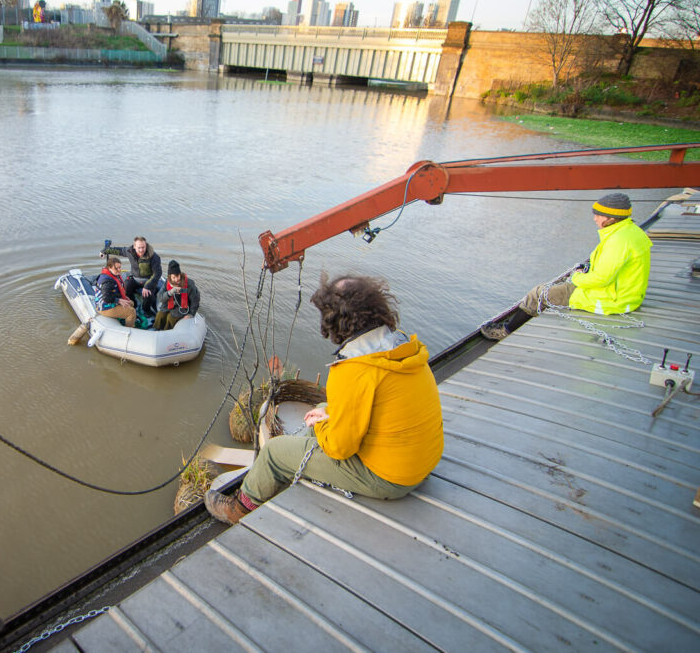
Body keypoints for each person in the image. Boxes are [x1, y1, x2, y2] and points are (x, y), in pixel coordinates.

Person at [205, 274, 443, 525]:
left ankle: (242, 507)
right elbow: (377, 404)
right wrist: (328, 414)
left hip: (391, 479)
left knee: (274, 452)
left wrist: (322, 424)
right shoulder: (400, 346)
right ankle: (293, 457)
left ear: (335, 322)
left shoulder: (351, 370)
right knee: (321, 407)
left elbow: (340, 448)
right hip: (421, 463)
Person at [480, 192, 653, 341]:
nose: (595, 218)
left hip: (611, 300)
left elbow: (601, 279)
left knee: (539, 293)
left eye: (598, 215)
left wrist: (577, 276)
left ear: (610, 218)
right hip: (628, 295)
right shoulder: (632, 232)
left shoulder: (617, 241)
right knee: (553, 289)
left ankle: (505, 332)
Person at [102, 236, 161, 313]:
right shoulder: (129, 251)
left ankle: (146, 310)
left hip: (148, 280)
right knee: (126, 286)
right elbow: (118, 250)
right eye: (139, 247)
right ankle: (134, 305)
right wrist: (104, 251)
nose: (141, 250)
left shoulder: (154, 257)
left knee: (148, 294)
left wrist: (148, 286)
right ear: (134, 247)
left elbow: (157, 273)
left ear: (146, 246)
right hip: (134, 278)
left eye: (143, 247)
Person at [154, 260, 200, 331]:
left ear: (180, 274)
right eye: (174, 277)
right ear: (170, 277)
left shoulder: (189, 284)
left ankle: (167, 332)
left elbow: (195, 300)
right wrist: (170, 292)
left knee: (171, 318)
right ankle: (156, 329)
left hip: (182, 308)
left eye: (178, 276)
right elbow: (160, 298)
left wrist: (191, 314)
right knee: (160, 315)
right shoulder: (167, 282)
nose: (176, 279)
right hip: (168, 305)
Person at [95, 255, 136, 328]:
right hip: (104, 306)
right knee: (131, 312)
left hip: (111, 301)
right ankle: (129, 329)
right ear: (109, 268)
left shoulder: (114, 275)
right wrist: (119, 300)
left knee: (131, 303)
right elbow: (106, 298)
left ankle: (123, 318)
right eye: (116, 268)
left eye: (120, 267)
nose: (119, 270)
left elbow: (115, 291)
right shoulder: (107, 282)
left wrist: (123, 297)